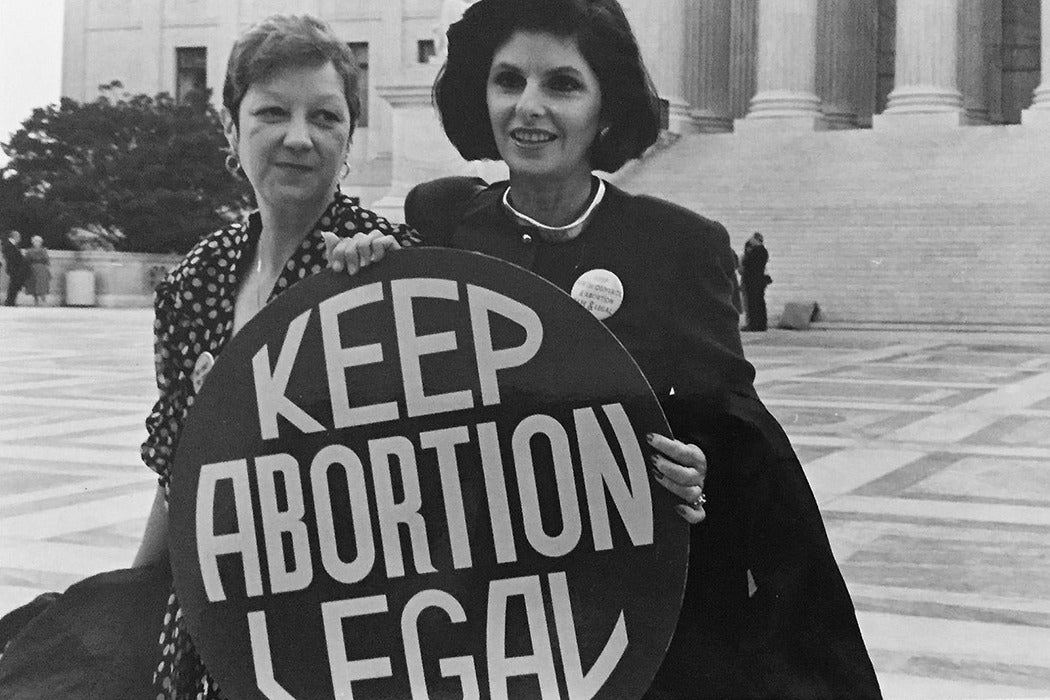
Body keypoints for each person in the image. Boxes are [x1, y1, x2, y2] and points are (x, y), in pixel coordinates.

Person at [328, 0, 881, 697]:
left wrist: (700, 467)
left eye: (562, 84)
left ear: (606, 107)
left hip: (636, 632)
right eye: (508, 81)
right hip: (487, 631)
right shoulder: (442, 227)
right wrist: (362, 273)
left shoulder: (681, 246)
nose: (528, 107)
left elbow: (735, 436)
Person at [134, 15, 415, 699]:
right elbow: (179, 474)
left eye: (325, 116)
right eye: (271, 113)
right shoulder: (201, 277)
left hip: (349, 630)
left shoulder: (391, 264)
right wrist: (130, 602)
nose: (299, 137)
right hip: (214, 615)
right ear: (232, 129)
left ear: (350, 135)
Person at [741, 231, 770, 331]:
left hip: (753, 280)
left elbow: (746, 263)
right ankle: (761, 324)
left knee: (753, 303)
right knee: (760, 302)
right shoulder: (764, 251)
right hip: (759, 280)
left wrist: (747, 250)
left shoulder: (756, 251)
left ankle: (754, 324)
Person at [24, 235, 51, 305]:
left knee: (42, 285)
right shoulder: (29, 251)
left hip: (42, 269)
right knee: (33, 285)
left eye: (38, 241)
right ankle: (36, 300)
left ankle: (44, 300)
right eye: (35, 241)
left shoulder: (44, 250)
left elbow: (47, 260)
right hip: (32, 269)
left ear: (41, 242)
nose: (37, 243)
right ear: (33, 242)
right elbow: (26, 260)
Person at [2, 230, 26, 306]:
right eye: (18, 237)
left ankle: (11, 301)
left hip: (16, 268)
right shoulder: (8, 245)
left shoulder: (13, 245)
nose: (19, 238)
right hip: (13, 267)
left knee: (14, 285)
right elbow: (11, 256)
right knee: (13, 285)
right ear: (14, 237)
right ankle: (10, 301)